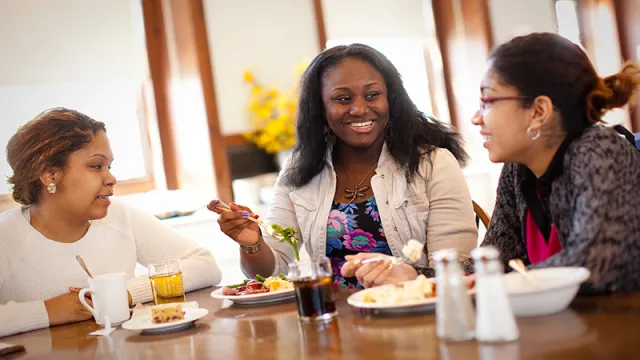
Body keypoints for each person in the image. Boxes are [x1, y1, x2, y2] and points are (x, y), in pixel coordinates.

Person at [210, 44, 477, 289]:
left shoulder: (433, 163)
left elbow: (455, 268)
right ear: (321, 108)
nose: (360, 109)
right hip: (330, 319)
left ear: (391, 101)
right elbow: (273, 272)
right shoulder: (298, 169)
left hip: (414, 313)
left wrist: (407, 275)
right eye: (342, 99)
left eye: (372, 95)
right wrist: (253, 244)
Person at [0, 108, 222, 338]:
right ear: (49, 174)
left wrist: (124, 293)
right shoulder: (5, 237)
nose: (111, 178)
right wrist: (44, 312)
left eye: (109, 167)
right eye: (96, 166)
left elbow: (205, 266)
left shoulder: (119, 215)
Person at [470, 32, 640, 291]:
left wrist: (489, 283)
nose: (476, 118)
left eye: (487, 102)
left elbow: (595, 265)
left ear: (539, 111)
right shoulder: (518, 169)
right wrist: (415, 274)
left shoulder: (600, 149)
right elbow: (492, 263)